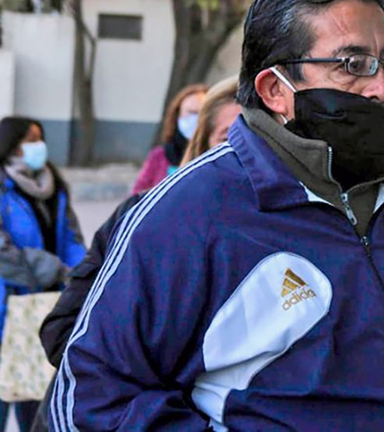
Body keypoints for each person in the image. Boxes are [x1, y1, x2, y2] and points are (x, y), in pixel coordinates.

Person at [52, 0, 384, 431]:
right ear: (275, 90)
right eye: (353, 65)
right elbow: (90, 398)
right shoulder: (186, 217)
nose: (382, 88)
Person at [30, 77, 241, 432]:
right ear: (201, 145)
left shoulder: (297, 234)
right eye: (227, 139)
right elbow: (62, 329)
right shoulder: (142, 217)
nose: (244, 152)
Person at [0, 117, 86, 431]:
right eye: (29, 139)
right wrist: (51, 268)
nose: (38, 146)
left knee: (36, 395)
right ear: (10, 144)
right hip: (8, 305)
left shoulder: (54, 185)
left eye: (40, 138)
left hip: (47, 305)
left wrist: (79, 274)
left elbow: (73, 238)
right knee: (5, 391)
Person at [131, 83, 207, 194]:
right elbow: (136, 196)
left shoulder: (216, 158)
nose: (195, 119)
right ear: (177, 115)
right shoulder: (159, 156)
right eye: (191, 112)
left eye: (200, 114)